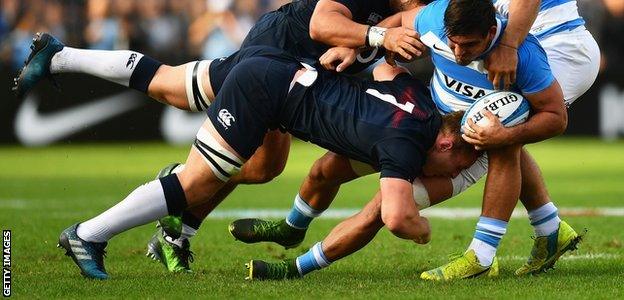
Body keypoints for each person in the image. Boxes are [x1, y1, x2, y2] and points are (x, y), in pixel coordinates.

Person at [13, 0, 430, 273]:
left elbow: (389, 29)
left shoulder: (402, 15)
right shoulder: (382, 14)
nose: (423, 9)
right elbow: (324, 23)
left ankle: (60, 55)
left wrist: (372, 42)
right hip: (279, 55)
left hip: (288, 72)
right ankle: (144, 227)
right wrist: (376, 37)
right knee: (213, 168)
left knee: (176, 92)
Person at [52, 44, 479, 280]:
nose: (454, 175)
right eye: (459, 166)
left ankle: (59, 55)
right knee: (197, 182)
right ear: (446, 145)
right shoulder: (407, 145)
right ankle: (88, 234)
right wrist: (425, 232)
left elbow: (389, 68)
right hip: (265, 89)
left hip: (283, 69)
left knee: (244, 158)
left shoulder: (420, 103)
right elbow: (398, 216)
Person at [242, 0, 583, 281]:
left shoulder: (522, 58)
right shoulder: (436, 16)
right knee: (326, 168)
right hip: (424, 120)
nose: (459, 53)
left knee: (384, 209)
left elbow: (556, 117)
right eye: (453, 42)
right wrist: (357, 44)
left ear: (493, 31)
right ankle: (292, 226)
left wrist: (504, 134)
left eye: (470, 45)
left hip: (463, 147)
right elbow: (402, 20)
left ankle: (296, 269)